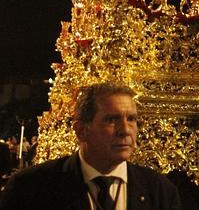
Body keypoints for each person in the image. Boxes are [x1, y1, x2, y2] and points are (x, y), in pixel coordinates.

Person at [0, 83, 182, 209]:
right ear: (81, 130)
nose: (125, 130)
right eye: (112, 120)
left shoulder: (160, 191)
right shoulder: (30, 189)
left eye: (132, 119)